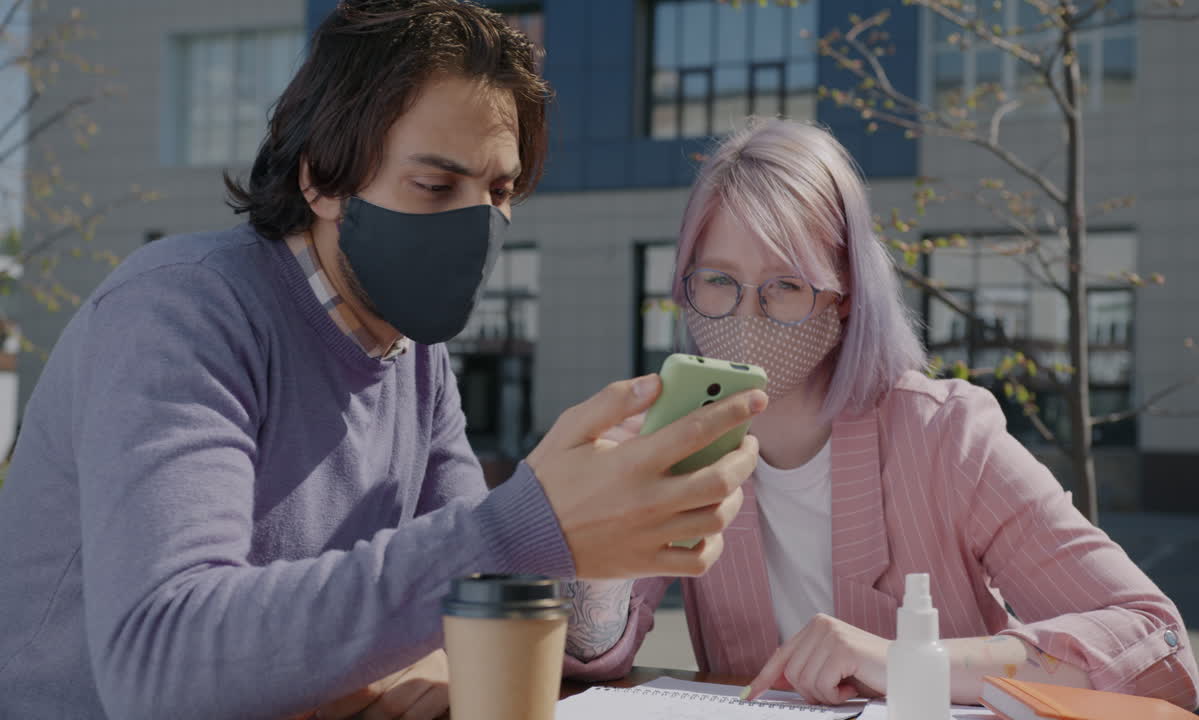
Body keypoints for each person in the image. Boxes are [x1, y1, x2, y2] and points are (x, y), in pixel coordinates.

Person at [0, 2, 765, 718]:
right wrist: (526, 527)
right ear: (321, 178)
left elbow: (474, 598)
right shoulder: (179, 313)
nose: (478, 223)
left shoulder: (416, 356)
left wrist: (600, 541)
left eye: (499, 190)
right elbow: (161, 661)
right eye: (435, 184)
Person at [562, 118, 1199, 711]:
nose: (747, 316)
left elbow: (1160, 649)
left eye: (786, 285)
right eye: (719, 281)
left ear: (844, 295)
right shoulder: (675, 445)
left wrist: (908, 662)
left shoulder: (947, 435)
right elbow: (588, 655)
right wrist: (605, 528)